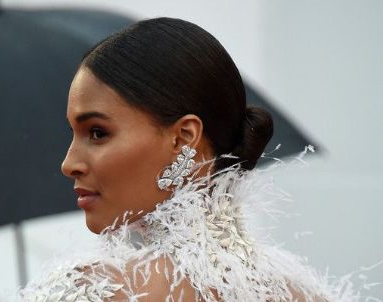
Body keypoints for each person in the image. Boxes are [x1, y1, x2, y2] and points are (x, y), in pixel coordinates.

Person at [19, 17, 363, 301]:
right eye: (74, 134)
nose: (69, 163)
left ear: (184, 138)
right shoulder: (302, 293)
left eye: (97, 133)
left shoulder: (91, 291)